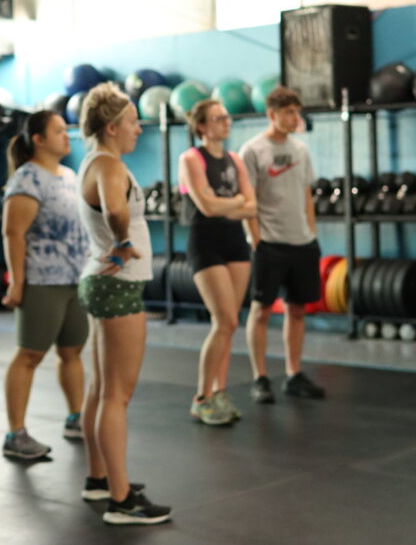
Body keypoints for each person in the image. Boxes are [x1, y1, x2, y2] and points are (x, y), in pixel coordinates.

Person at [75, 83, 171, 526]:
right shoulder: (110, 166)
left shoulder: (94, 161)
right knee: (118, 396)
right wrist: (123, 242)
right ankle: (121, 500)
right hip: (116, 286)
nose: (139, 129)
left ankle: (99, 478)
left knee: (100, 390)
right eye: (133, 122)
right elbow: (115, 209)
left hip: (100, 283)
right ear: (112, 127)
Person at [0, 110, 90, 460]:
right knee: (29, 356)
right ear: (37, 139)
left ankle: (76, 417)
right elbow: (13, 233)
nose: (66, 135)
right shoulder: (27, 179)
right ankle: (15, 434)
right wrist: (17, 284)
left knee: (72, 352)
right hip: (41, 280)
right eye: (58, 130)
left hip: (74, 279)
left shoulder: (68, 175)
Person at [239, 86, 326, 403]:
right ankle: (260, 377)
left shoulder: (301, 150)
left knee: (298, 310)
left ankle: (293, 374)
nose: (294, 118)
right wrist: (256, 238)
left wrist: (311, 232)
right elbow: (247, 199)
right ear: (271, 114)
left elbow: (306, 194)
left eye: (296, 112)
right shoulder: (252, 150)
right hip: (270, 243)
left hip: (302, 241)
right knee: (261, 311)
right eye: (288, 112)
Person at [178, 99, 256, 425]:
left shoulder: (235, 159)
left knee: (231, 323)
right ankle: (201, 397)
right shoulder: (191, 158)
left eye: (226, 118)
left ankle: (219, 391)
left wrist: (231, 203)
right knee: (223, 320)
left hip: (235, 241)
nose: (226, 122)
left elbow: (252, 206)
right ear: (201, 127)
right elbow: (206, 207)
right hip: (205, 242)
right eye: (218, 118)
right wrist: (233, 202)